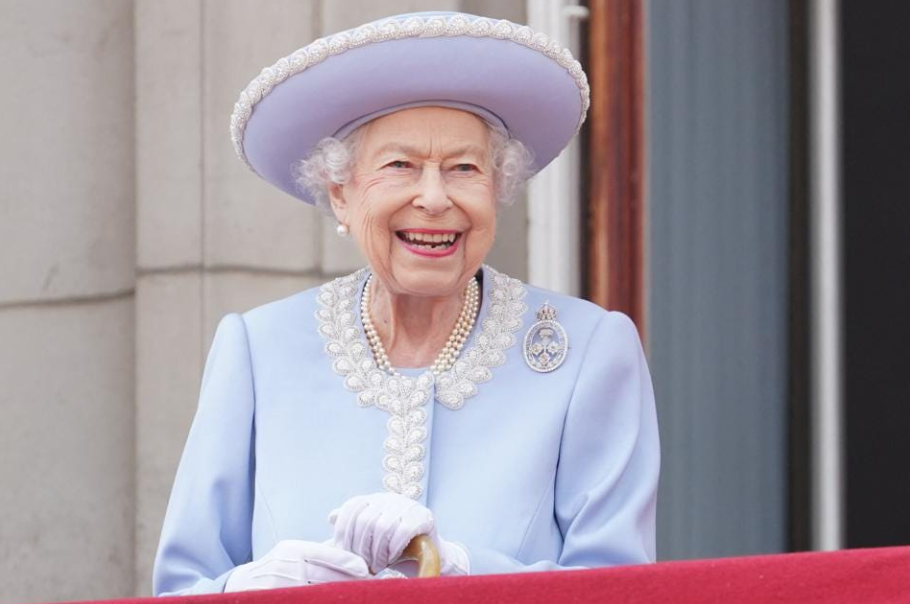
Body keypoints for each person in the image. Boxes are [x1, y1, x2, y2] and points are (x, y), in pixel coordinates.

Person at [152, 10, 659, 596]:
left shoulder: (589, 352)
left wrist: (464, 567)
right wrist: (255, 587)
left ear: (497, 190)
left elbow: (620, 587)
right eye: (400, 166)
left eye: (464, 169)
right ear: (340, 195)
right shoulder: (258, 349)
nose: (435, 198)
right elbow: (180, 587)